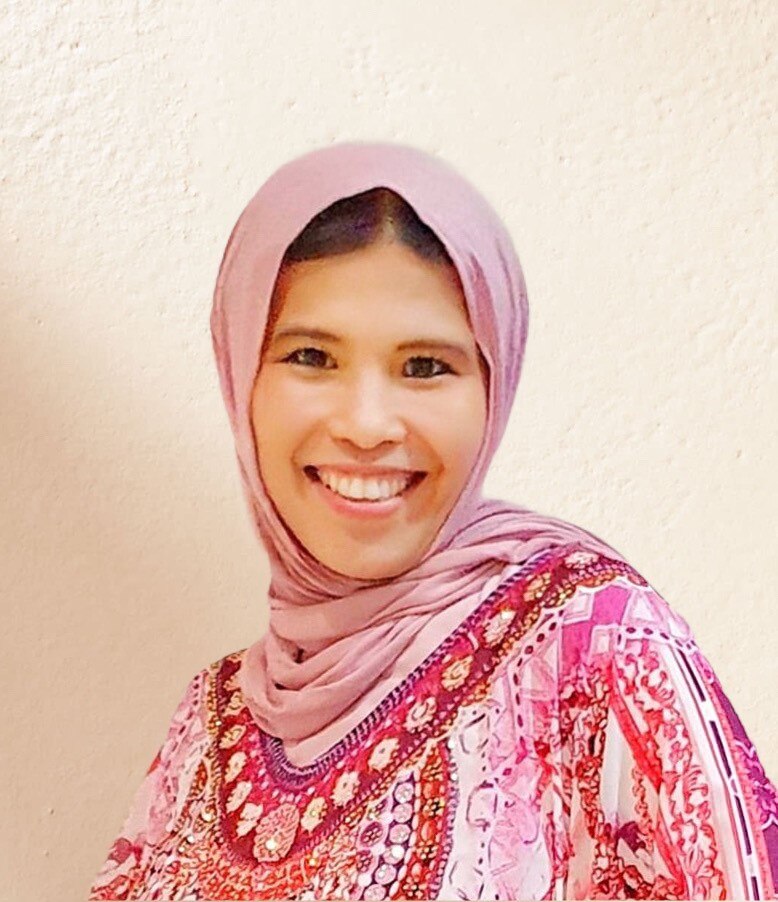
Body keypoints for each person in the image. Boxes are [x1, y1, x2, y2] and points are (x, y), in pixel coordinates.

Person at [89, 142, 777, 901]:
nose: (366, 424)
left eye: (424, 367)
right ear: (240, 373)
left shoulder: (594, 645)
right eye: (311, 356)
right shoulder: (213, 720)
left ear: (493, 383)